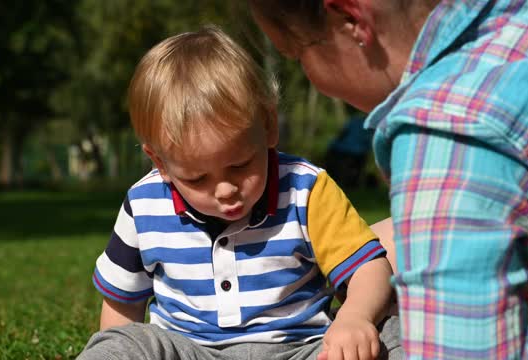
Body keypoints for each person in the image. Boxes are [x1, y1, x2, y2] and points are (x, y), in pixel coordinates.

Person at [77, 26, 400, 360]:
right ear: (160, 162)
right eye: (198, 178)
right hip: (189, 351)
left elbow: (369, 268)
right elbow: (121, 305)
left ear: (269, 127)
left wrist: (353, 318)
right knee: (122, 345)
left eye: (241, 165)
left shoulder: (306, 190)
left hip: (301, 349)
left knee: (393, 338)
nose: (225, 189)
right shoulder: (144, 205)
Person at [248, 0, 528, 358]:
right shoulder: (517, 23)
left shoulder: (446, 135)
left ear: (352, 19)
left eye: (296, 56)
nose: (313, 81)